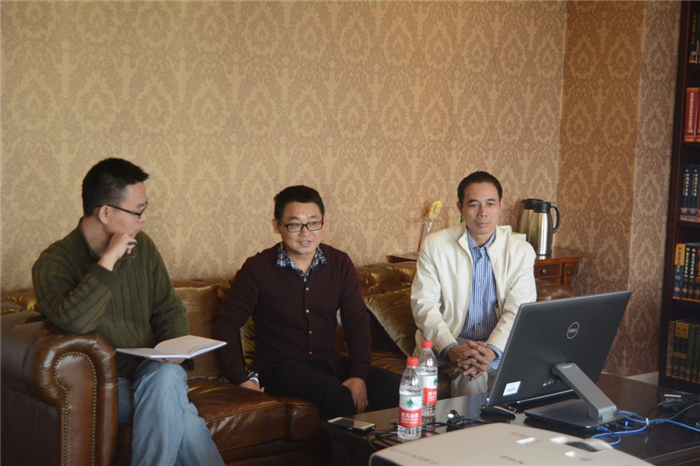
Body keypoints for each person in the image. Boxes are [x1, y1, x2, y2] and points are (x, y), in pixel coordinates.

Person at [31, 158, 223, 466]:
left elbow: (168, 308)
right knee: (177, 409)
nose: (144, 219)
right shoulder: (53, 263)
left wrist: (174, 349)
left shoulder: (143, 247)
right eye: (138, 210)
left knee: (166, 378)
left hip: (154, 371)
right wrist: (109, 260)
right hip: (103, 387)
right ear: (106, 213)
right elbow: (75, 321)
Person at [215, 185, 400, 420]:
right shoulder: (257, 268)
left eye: (313, 223)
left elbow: (356, 321)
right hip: (279, 368)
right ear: (277, 225)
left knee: (396, 387)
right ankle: (347, 446)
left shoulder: (339, 263)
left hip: (329, 363)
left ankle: (382, 446)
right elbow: (226, 323)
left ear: (323, 223)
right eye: (295, 225)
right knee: (335, 394)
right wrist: (240, 379)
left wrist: (358, 375)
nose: (306, 233)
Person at [411, 171, 537, 397]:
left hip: (499, 342)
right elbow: (424, 305)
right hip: (451, 339)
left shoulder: (521, 252)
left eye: (490, 204)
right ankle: (469, 422)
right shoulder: (435, 246)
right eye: (474, 204)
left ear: (501, 206)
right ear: (460, 207)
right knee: (471, 375)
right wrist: (450, 347)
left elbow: (518, 310)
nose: (482, 213)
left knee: (536, 373)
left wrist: (492, 350)